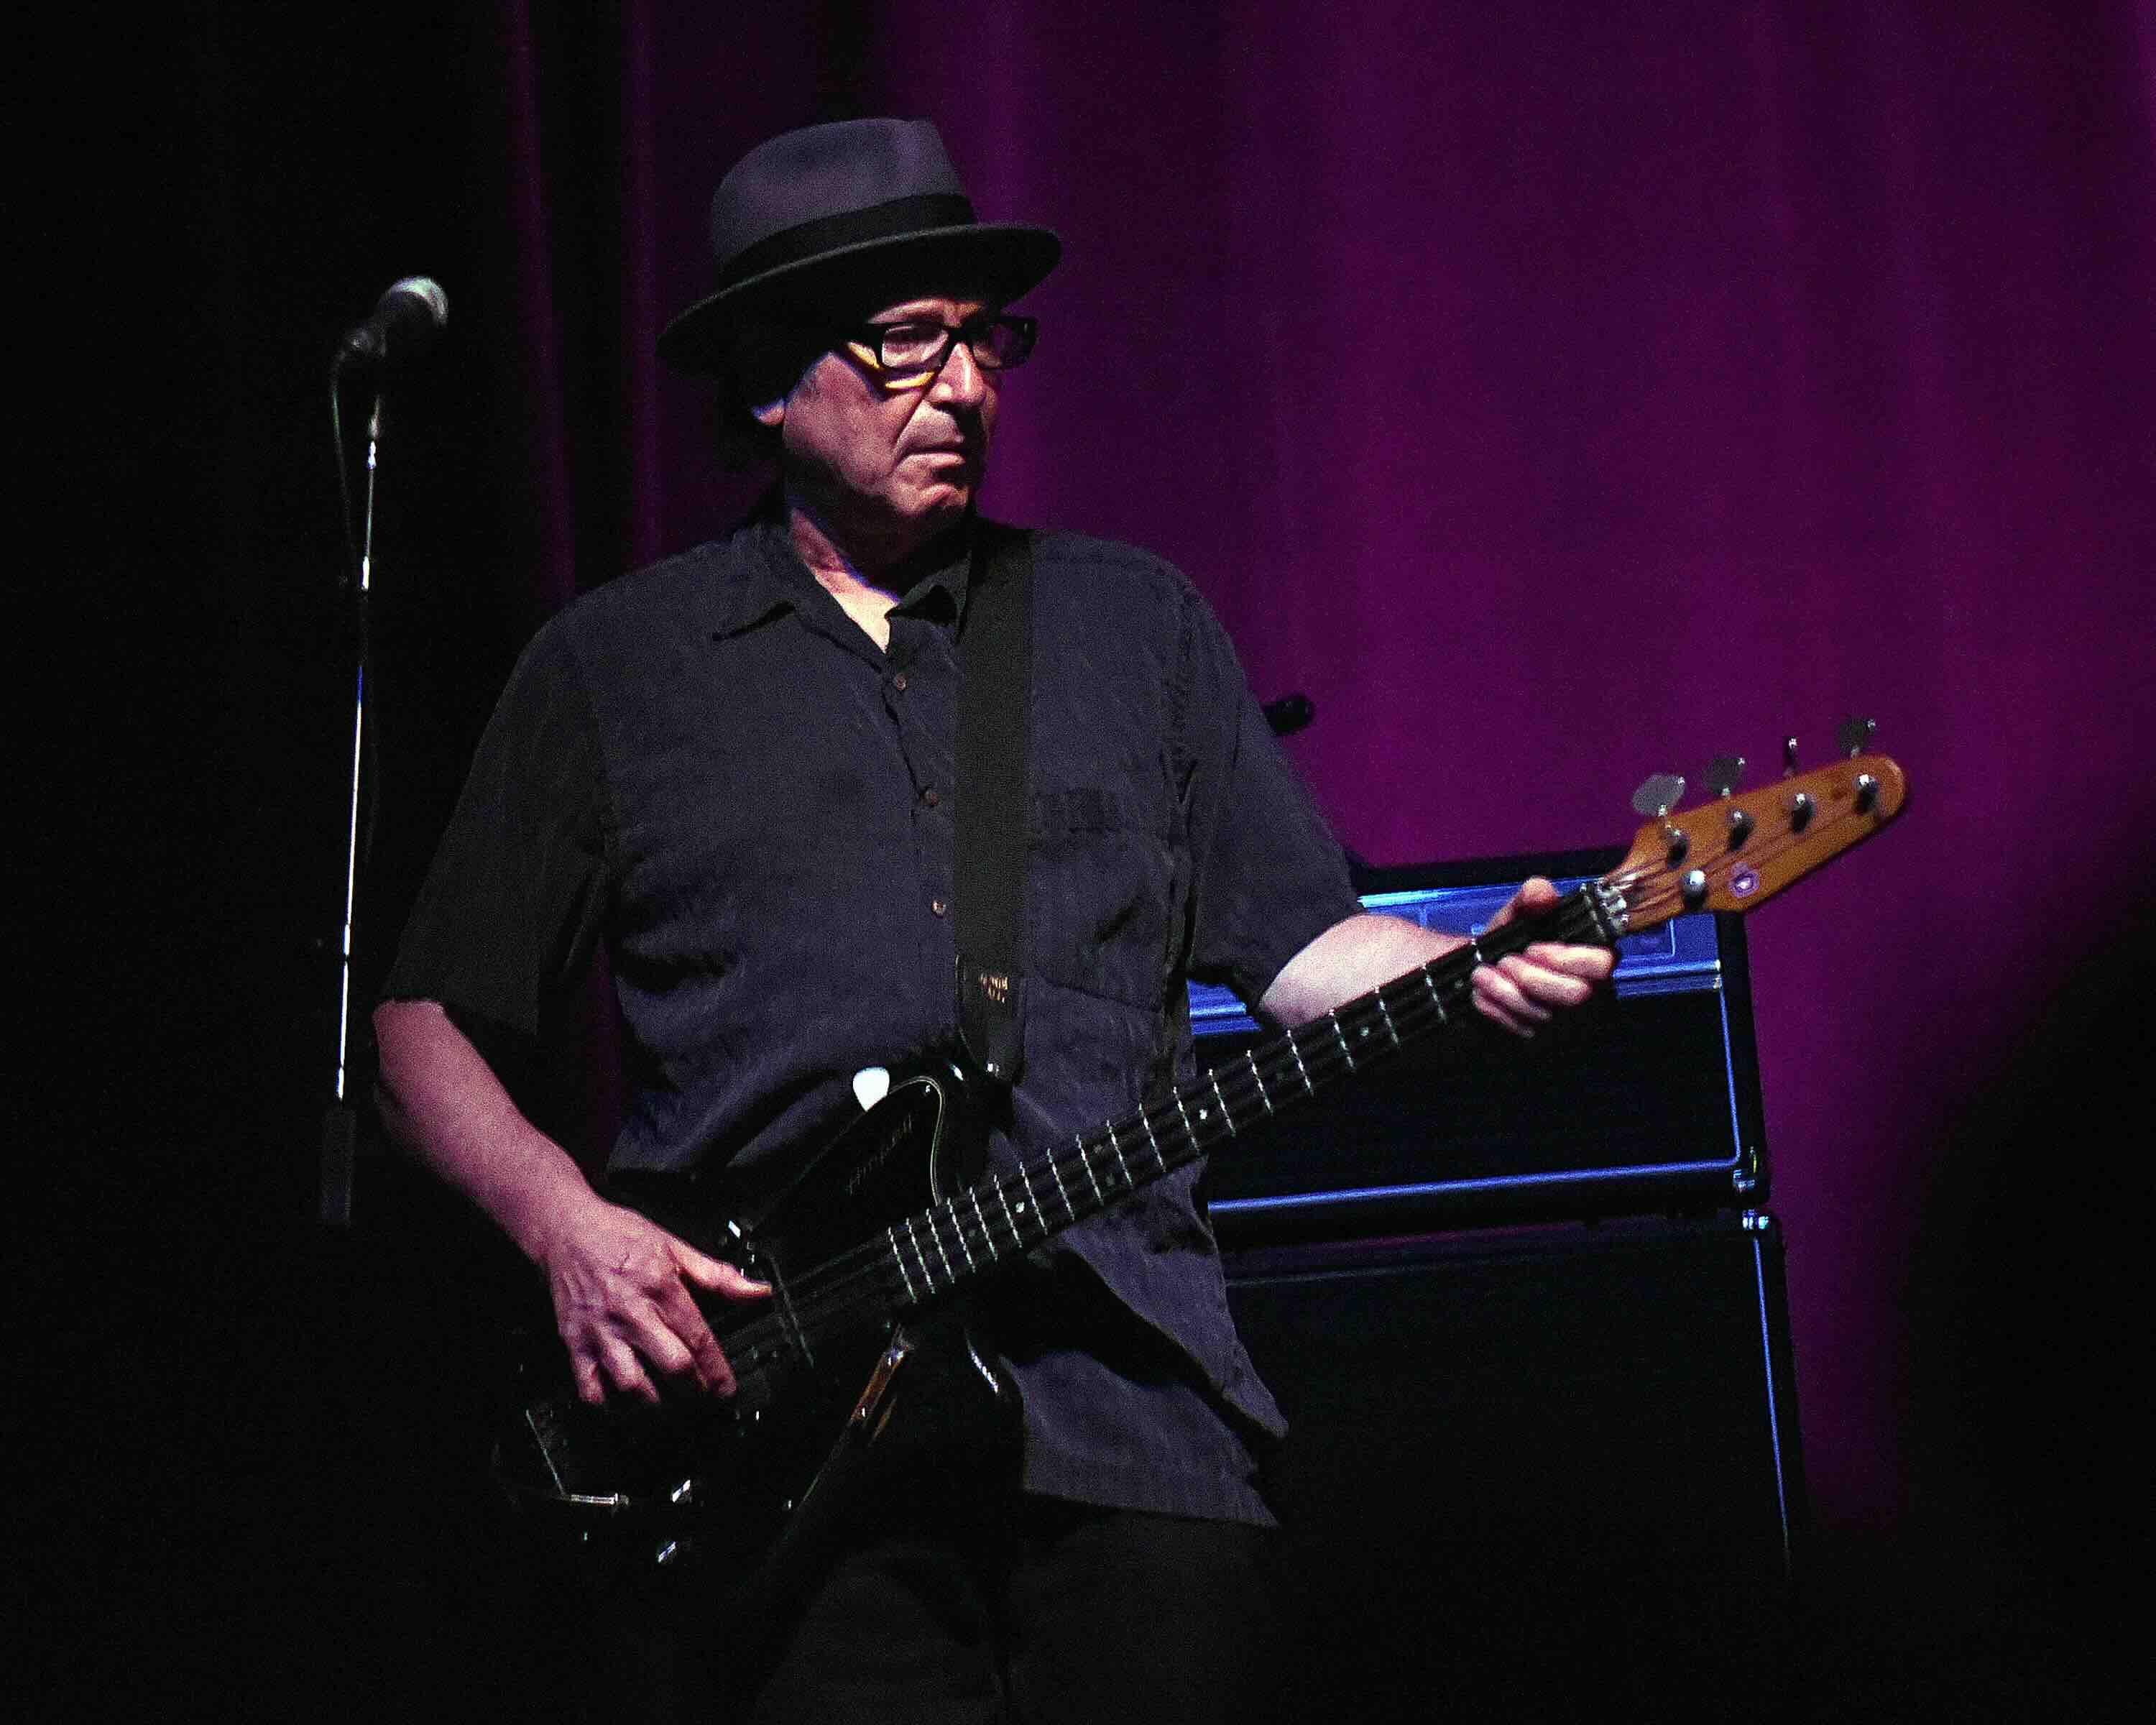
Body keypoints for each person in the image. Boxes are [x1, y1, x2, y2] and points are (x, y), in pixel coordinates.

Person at [373, 117, 1615, 1722]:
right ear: (767, 377)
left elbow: (1307, 952)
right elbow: (421, 1028)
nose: (966, 388)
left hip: (1131, 1418)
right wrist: (570, 1231)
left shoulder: (1131, 625)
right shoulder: (616, 671)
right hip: (791, 1452)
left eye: (984, 342)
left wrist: (1473, 978)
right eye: (907, 345)